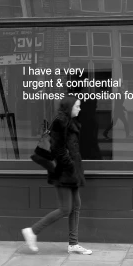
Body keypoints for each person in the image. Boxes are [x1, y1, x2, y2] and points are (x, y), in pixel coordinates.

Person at [22, 95, 92, 255]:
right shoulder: (61, 123)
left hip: (71, 170)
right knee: (66, 208)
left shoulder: (70, 122)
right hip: (64, 171)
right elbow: (58, 150)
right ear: (69, 107)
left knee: (76, 205)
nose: (80, 109)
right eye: (77, 106)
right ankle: (32, 231)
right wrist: (70, 167)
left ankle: (73, 244)